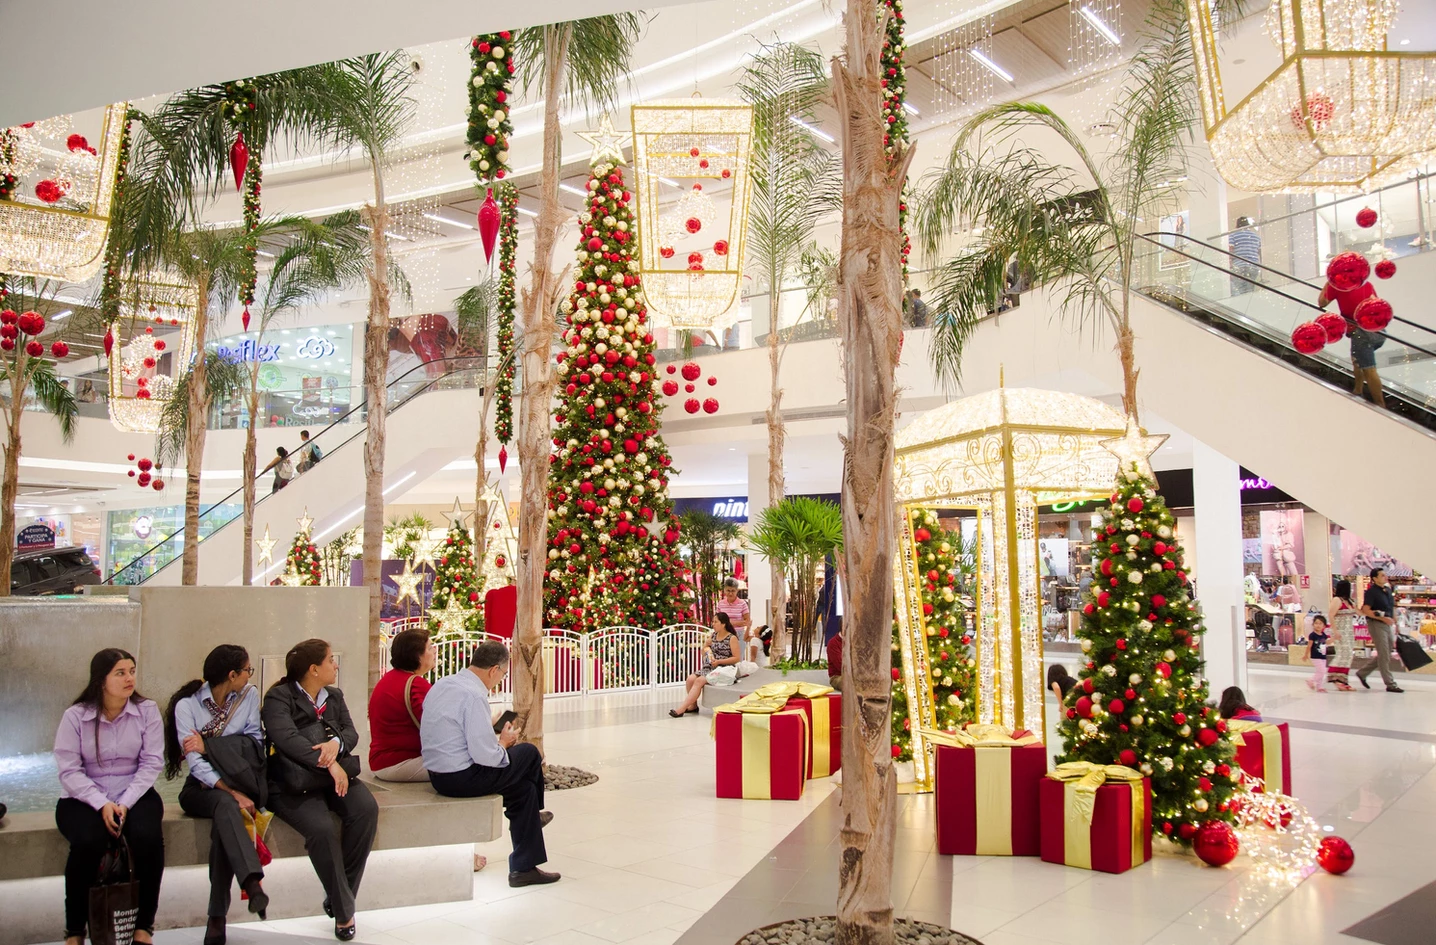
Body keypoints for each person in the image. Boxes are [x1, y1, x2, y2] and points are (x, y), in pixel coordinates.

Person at [262, 639, 377, 941]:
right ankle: (344, 912)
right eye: (330, 660)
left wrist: (335, 745)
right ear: (314, 669)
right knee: (322, 829)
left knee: (365, 809)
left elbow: (350, 733)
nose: (335, 665)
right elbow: (286, 739)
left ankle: (340, 897)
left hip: (332, 775)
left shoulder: (334, 696)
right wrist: (329, 763)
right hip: (293, 782)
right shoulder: (278, 697)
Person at [422, 641, 557, 887]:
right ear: (494, 670)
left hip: (438, 774)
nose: (500, 680)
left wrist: (492, 736)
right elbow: (486, 756)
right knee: (529, 753)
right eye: (503, 674)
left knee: (524, 791)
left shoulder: (443, 684)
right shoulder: (474, 695)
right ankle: (536, 814)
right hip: (461, 777)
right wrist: (504, 742)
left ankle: (524, 869)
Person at [54, 648, 165, 945]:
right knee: (87, 841)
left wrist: (125, 802)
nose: (129, 679)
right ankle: (75, 931)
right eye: (120, 673)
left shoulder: (147, 710)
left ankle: (144, 927)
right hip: (83, 796)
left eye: (132, 671)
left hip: (135, 793)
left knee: (147, 838)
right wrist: (101, 803)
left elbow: (152, 762)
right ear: (101, 680)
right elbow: (69, 770)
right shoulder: (76, 716)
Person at [164, 645, 268, 945]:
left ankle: (218, 917)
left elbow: (254, 744)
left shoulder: (248, 696)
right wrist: (230, 790)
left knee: (226, 816)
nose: (250, 675)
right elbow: (195, 763)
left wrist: (209, 746)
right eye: (247, 670)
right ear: (232, 675)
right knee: (226, 804)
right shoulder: (187, 706)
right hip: (200, 787)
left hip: (238, 783)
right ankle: (251, 883)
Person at [368, 629, 436, 782]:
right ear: (417, 655)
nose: (434, 651)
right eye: (430, 647)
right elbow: (436, 725)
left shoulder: (388, 679)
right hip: (402, 762)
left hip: (382, 762)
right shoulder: (415, 684)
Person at [1317, 276, 1386, 407]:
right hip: (1378, 329)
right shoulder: (1366, 283)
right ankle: (1358, 390)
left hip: (1361, 333)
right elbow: (1376, 303)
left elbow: (1322, 303)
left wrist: (1327, 284)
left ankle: (1380, 405)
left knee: (1369, 369)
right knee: (1356, 359)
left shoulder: (1336, 287)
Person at [670, 612, 742, 717]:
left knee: (699, 681)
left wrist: (719, 662)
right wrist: (706, 645)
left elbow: (736, 658)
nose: (713, 624)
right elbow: (703, 653)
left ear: (723, 624)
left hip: (724, 668)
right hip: (710, 667)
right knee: (690, 679)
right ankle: (693, 706)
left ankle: (681, 709)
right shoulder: (713, 635)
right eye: (713, 622)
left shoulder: (732, 638)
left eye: (715, 622)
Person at [1357, 567, 1404, 692]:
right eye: (1382, 575)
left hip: (1387, 624)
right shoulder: (1371, 592)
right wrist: (1382, 618)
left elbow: (1391, 607)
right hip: (1376, 624)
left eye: (1385, 575)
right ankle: (1390, 683)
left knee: (1386, 652)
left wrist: (1396, 623)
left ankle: (1362, 672)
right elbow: (1365, 610)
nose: (1385, 577)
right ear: (1375, 578)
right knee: (1384, 653)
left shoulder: (1387, 590)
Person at [1326, 579, 1358, 691]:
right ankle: (1335, 676)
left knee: (1348, 655)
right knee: (1342, 653)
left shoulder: (1350, 601)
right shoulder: (1337, 600)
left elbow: (1358, 612)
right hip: (1340, 630)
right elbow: (1331, 615)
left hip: (1349, 631)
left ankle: (1343, 679)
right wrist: (1335, 631)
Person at [715, 578, 754, 662]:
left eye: (733, 591)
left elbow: (747, 621)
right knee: (724, 660)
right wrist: (734, 623)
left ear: (737, 591)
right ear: (724, 590)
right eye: (728, 590)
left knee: (738, 660)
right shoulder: (721, 603)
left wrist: (729, 623)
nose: (730, 593)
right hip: (723, 635)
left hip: (738, 635)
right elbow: (717, 620)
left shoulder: (742, 603)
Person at [1228, 216, 1262, 295]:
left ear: (1237, 225)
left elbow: (1231, 250)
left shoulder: (1233, 235)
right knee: (1249, 290)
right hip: (1253, 266)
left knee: (1240, 290)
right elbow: (1259, 252)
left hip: (1239, 265)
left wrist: (1230, 266)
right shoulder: (1256, 236)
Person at [1306, 615, 1330, 692]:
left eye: (1320, 623)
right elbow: (1309, 645)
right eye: (1316, 623)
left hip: (1323, 656)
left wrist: (1334, 638)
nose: (1318, 625)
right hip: (1315, 656)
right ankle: (1311, 680)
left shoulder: (1324, 635)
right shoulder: (1312, 635)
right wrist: (1306, 654)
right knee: (1322, 670)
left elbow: (1327, 642)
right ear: (1313, 624)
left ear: (1324, 626)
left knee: (1320, 672)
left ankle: (1319, 686)